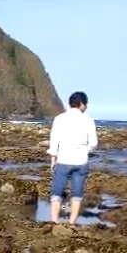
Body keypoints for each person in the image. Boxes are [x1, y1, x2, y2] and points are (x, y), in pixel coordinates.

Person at [47, 91, 98, 224]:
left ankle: (54, 222)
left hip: (63, 160)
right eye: (85, 104)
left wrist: (53, 159)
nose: (86, 107)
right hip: (81, 161)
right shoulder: (88, 120)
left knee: (56, 193)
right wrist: (83, 150)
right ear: (81, 104)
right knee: (77, 194)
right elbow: (93, 143)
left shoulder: (59, 119)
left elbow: (54, 141)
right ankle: (72, 223)